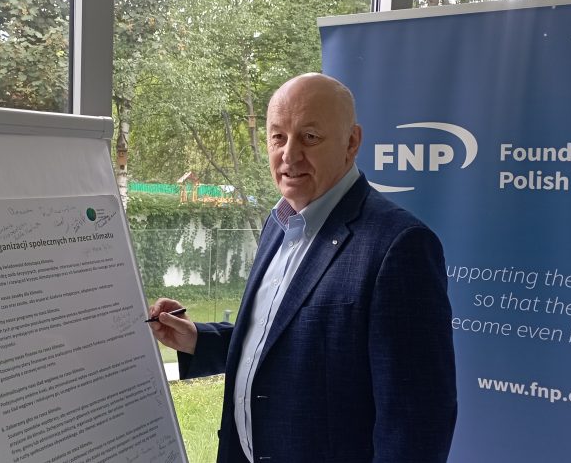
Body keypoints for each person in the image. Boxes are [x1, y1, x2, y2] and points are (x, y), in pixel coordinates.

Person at [149, 73, 456, 463]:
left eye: (310, 137)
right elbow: (277, 341)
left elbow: (417, 425)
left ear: (352, 142)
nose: (289, 155)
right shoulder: (278, 223)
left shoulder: (399, 246)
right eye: (278, 137)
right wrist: (197, 339)